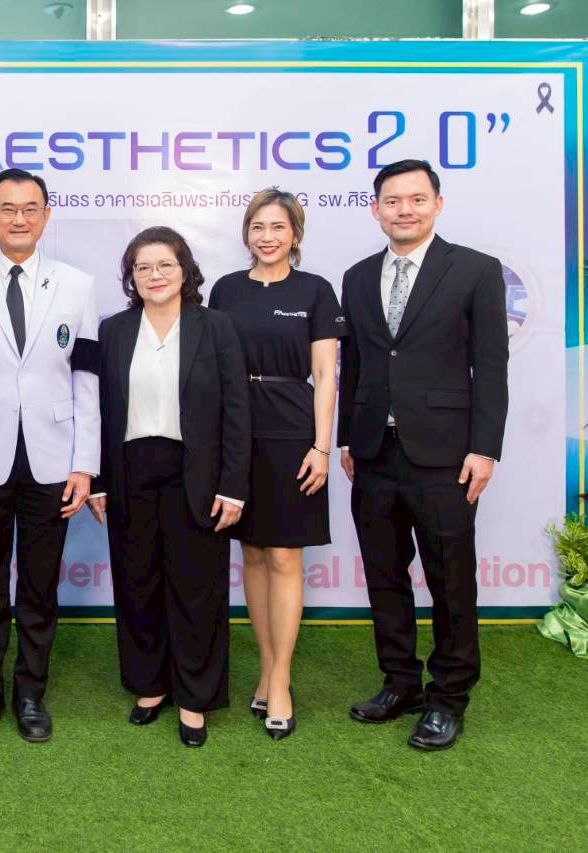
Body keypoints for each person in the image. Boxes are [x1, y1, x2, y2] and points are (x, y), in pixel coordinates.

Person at [338, 159, 509, 751]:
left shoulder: (476, 270)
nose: (403, 209)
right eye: (392, 200)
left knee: (450, 580)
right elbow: (357, 364)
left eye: (416, 198)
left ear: (438, 203)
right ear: (375, 209)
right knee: (385, 577)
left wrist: (485, 448)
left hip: (445, 456)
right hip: (373, 452)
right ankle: (400, 682)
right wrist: (347, 437)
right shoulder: (358, 276)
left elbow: (491, 366)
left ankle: (449, 697)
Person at [0, 168, 100, 743]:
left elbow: (86, 379)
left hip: (54, 460)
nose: (19, 219)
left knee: (39, 586)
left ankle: (31, 692)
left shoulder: (78, 286)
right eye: (7, 208)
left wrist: (85, 464)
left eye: (31, 208)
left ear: (47, 215)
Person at [87, 226, 250, 748]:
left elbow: (237, 411)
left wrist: (233, 485)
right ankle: (149, 685)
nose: (154, 275)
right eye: (143, 267)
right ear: (130, 277)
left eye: (165, 265)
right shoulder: (112, 330)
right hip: (129, 469)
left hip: (196, 472)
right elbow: (96, 411)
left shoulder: (216, 327)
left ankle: (195, 697)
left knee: (196, 588)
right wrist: (96, 479)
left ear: (185, 271)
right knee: (137, 583)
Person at [208, 190, 345, 740]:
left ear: (295, 234)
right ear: (246, 233)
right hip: (235, 431)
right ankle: (265, 668)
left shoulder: (316, 290)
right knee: (253, 554)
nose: (267, 237)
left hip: (293, 432)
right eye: (258, 227)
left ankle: (281, 679)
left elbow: (326, 375)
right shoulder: (225, 289)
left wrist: (322, 447)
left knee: (285, 556)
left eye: (278, 227)